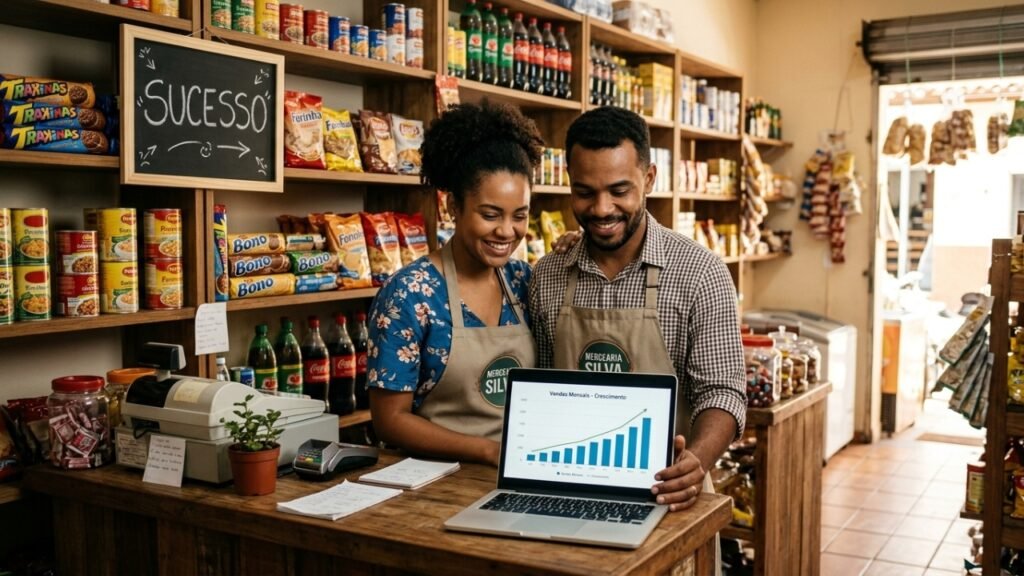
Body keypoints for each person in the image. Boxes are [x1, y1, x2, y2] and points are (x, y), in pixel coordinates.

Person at [529, 106, 747, 513]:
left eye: (619, 190)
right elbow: (541, 388)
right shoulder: (547, 276)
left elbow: (723, 392)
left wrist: (695, 462)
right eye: (584, 191)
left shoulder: (701, 273)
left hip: (669, 495)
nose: (601, 208)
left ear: (648, 179)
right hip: (566, 492)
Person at [367, 102, 544, 466]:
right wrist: (487, 450)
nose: (506, 231)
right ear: (452, 207)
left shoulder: (524, 280)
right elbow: (389, 421)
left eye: (520, 216)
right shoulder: (409, 294)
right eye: (490, 214)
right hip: (434, 481)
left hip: (520, 470)